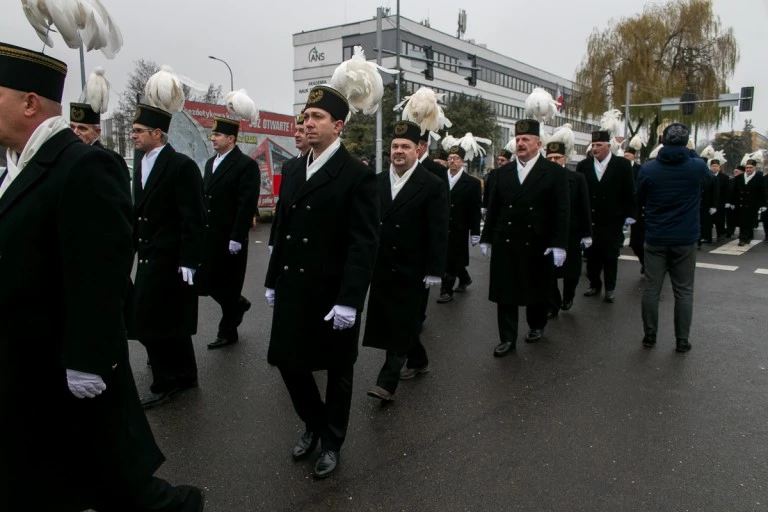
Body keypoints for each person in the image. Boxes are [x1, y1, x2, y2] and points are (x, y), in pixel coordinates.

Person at [0, 41, 203, 512]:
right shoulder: (17, 166)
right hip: (24, 355)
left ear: (29, 102)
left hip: (59, 354)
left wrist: (88, 357)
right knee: (83, 475)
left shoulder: (83, 163)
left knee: (111, 480)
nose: (132, 136)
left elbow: (100, 266)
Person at [264, 85, 380, 479]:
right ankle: (314, 422)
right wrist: (271, 278)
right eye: (305, 117)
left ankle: (332, 441)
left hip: (332, 293)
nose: (307, 123)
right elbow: (282, 228)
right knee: (286, 361)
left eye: (316, 118)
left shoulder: (356, 175)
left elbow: (363, 244)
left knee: (336, 369)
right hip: (294, 285)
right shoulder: (294, 167)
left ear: (338, 125)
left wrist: (351, 300)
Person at [363, 121, 448, 402]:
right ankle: (419, 359)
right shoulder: (376, 181)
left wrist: (435, 269)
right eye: (395, 146)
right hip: (382, 263)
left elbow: (438, 228)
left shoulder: (432, 184)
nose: (399, 151)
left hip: (414, 266)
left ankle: (386, 382)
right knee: (399, 319)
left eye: (405, 147)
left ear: (418, 150)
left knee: (401, 320)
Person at [130, 100, 206, 409]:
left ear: (157, 133)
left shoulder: (181, 166)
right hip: (150, 253)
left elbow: (194, 217)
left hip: (172, 258)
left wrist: (190, 259)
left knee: (151, 322)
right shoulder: (141, 162)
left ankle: (165, 382)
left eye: (138, 131)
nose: (133, 135)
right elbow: (141, 212)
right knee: (166, 320)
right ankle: (186, 374)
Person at [480, 120, 569, 357]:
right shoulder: (501, 173)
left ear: (538, 144)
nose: (520, 144)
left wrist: (559, 244)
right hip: (506, 240)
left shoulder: (553, 173)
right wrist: (487, 238)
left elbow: (562, 211)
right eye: (518, 140)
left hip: (538, 241)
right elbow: (494, 208)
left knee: (536, 288)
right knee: (505, 292)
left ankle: (537, 325)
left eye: (526, 140)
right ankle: (507, 339)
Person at [636, 123, 712, 353]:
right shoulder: (696, 166)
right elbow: (709, 180)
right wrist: (690, 153)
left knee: (651, 289)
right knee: (684, 291)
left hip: (656, 237)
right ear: (686, 142)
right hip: (685, 238)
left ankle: (650, 336)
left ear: (662, 141)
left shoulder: (649, 169)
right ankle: (682, 340)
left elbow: (638, 199)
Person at [197, 116, 260, 349]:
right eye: (212, 135)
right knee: (206, 282)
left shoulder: (245, 165)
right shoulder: (210, 163)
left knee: (228, 283)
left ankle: (228, 331)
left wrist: (237, 236)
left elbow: (246, 204)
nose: (213, 138)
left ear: (231, 138)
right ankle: (238, 304)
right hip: (209, 235)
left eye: (217, 135)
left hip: (230, 236)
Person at [577, 130, 636, 302]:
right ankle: (595, 284)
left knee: (610, 257)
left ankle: (610, 288)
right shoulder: (584, 166)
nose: (595, 148)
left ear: (608, 146)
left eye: (599, 145)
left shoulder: (622, 165)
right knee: (592, 257)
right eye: (593, 145)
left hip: (612, 219)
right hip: (591, 220)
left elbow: (629, 192)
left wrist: (630, 214)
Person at [545, 141, 592, 317]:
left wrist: (587, 234)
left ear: (564, 158)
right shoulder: (542, 178)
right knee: (548, 272)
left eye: (557, 157)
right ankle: (553, 303)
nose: (554, 160)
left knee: (571, 271)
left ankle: (568, 295)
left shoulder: (577, 179)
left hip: (572, 232)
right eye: (550, 158)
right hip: (549, 232)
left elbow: (584, 207)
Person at [437, 145, 482, 303]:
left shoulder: (471, 183)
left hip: (459, 227)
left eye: (456, 159)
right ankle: (464, 278)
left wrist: (475, 232)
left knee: (452, 259)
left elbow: (475, 210)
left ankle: (446, 290)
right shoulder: (440, 178)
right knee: (449, 257)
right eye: (450, 158)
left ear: (462, 161)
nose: (452, 161)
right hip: (442, 226)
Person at [269, 111, 310, 253]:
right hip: (286, 237)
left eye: (301, 131)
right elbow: (281, 205)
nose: (296, 135)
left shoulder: (318, 165)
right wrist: (273, 239)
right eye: (296, 130)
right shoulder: (288, 166)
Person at [729, 158, 767, 246]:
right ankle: (743, 238)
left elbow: (763, 191)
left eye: (751, 167)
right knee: (742, 221)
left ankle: (747, 236)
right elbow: (734, 191)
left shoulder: (759, 178)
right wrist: (732, 202)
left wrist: (764, 204)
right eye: (747, 167)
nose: (748, 169)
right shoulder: (739, 177)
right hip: (740, 203)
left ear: (754, 168)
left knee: (749, 221)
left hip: (752, 204)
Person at [625, 147, 646, 272]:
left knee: (639, 242)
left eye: (628, 155)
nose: (626, 157)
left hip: (639, 208)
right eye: (624, 155)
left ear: (634, 156)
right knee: (634, 244)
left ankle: (646, 263)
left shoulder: (640, 169)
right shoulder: (620, 168)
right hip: (625, 207)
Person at [708, 158, 730, 242]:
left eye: (716, 166)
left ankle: (720, 234)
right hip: (710, 201)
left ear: (719, 167)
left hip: (720, 201)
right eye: (712, 166)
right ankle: (708, 236)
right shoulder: (708, 176)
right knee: (709, 220)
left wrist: (727, 201)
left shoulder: (724, 177)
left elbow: (727, 190)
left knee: (719, 220)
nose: (714, 168)